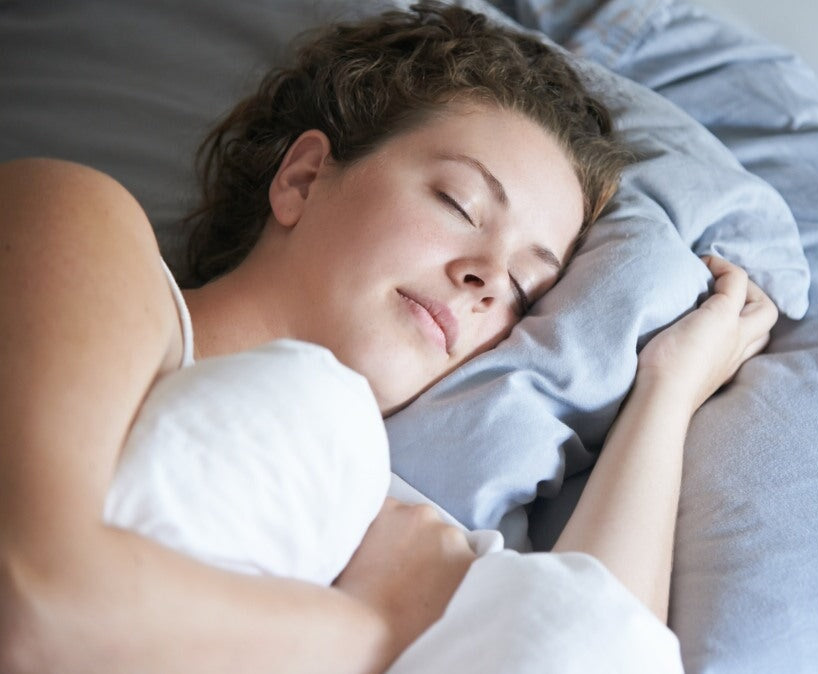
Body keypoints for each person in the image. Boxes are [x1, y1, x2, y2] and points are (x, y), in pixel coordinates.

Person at [0, 3, 777, 673]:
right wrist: (378, 631)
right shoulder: (82, 226)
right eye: (459, 203)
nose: (484, 280)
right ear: (303, 179)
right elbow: (30, 607)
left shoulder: (392, 521)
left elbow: (597, 635)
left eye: (524, 289)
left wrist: (666, 393)